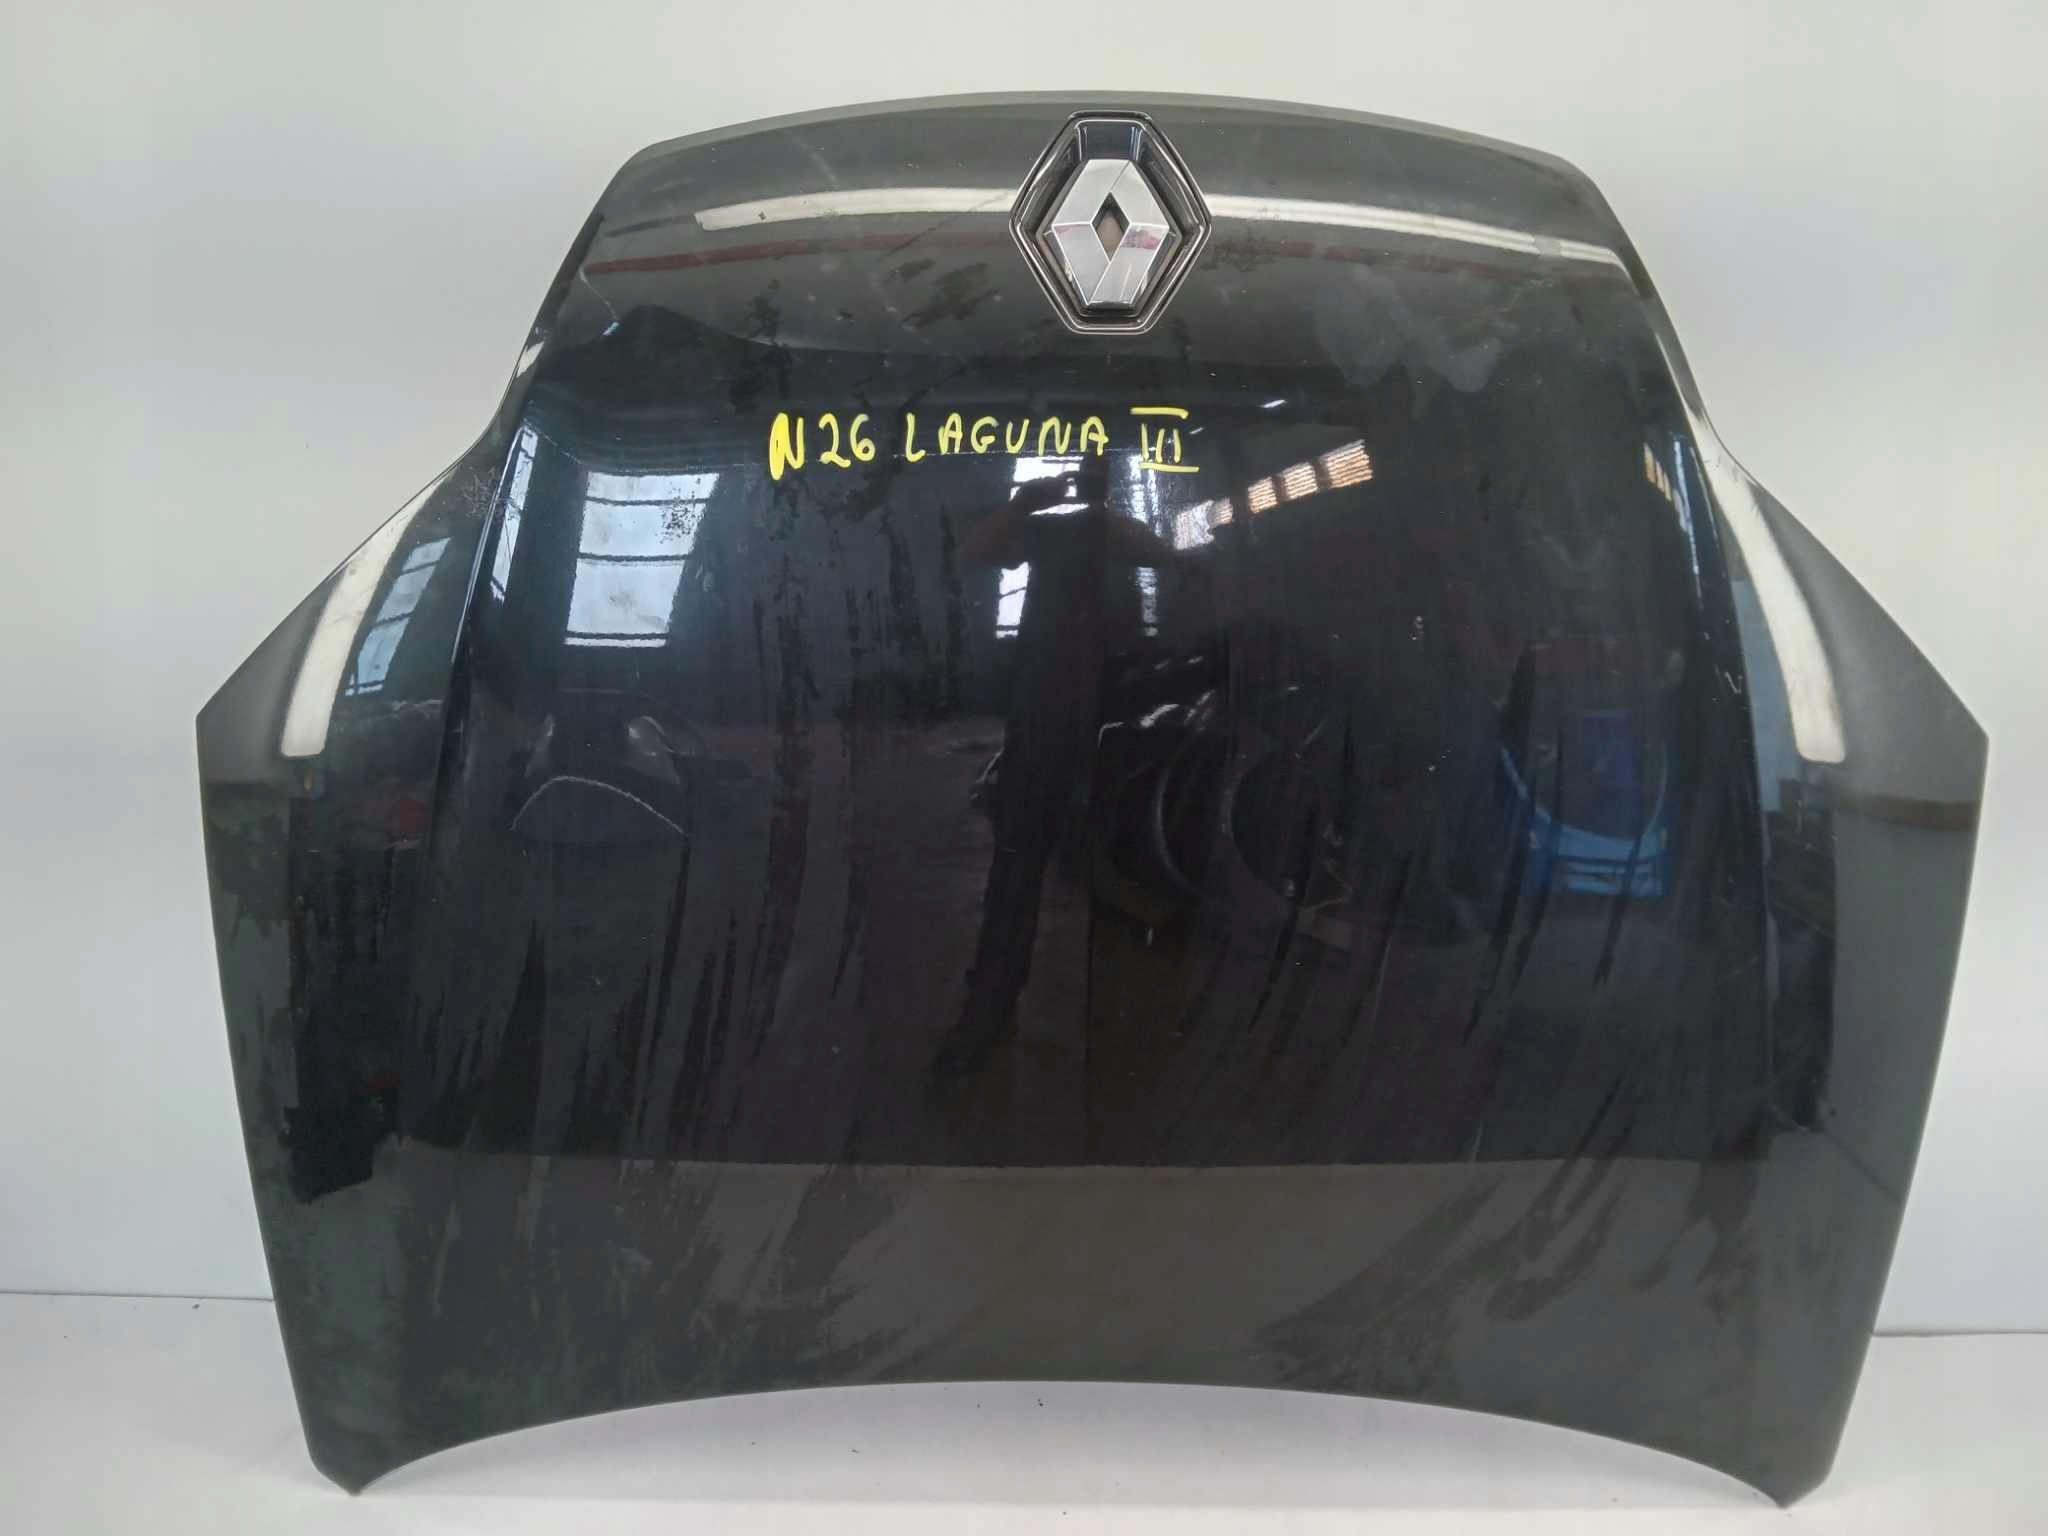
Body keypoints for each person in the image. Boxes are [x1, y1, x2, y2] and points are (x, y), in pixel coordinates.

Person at [931, 456, 1170, 1077]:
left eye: (1098, 474)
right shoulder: (1049, 528)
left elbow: (1167, 557)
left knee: (1113, 863)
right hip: (1046, 722)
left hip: (1116, 722)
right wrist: (1025, 504)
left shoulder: (1121, 528)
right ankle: (989, 1010)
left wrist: (1105, 520)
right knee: (1018, 871)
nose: (1087, 484)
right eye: (1084, 473)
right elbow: (971, 554)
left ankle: (1115, 1034)